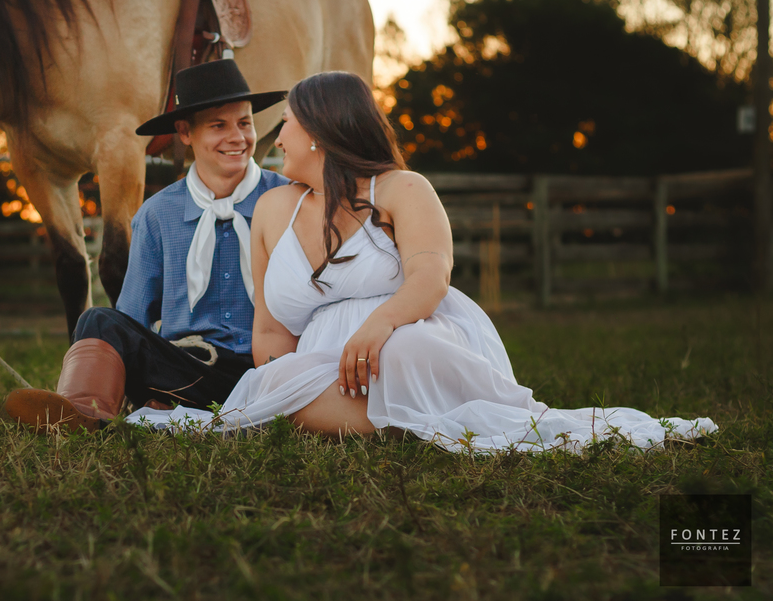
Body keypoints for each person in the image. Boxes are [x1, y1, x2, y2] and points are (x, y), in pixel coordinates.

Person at [127, 71, 717, 452]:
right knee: (272, 381)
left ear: (321, 133)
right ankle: (405, 423)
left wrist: (377, 327)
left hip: (408, 334)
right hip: (323, 365)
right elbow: (270, 331)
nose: (276, 138)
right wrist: (281, 378)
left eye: (289, 124)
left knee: (406, 350)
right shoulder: (274, 209)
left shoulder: (402, 188)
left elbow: (431, 277)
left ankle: (411, 418)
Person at [3, 59, 290, 432]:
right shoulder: (157, 214)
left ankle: (162, 409)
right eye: (218, 126)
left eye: (245, 123)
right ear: (184, 132)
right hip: (187, 371)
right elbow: (134, 315)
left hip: (270, 370)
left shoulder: (287, 199)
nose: (237, 137)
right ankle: (84, 413)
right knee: (98, 320)